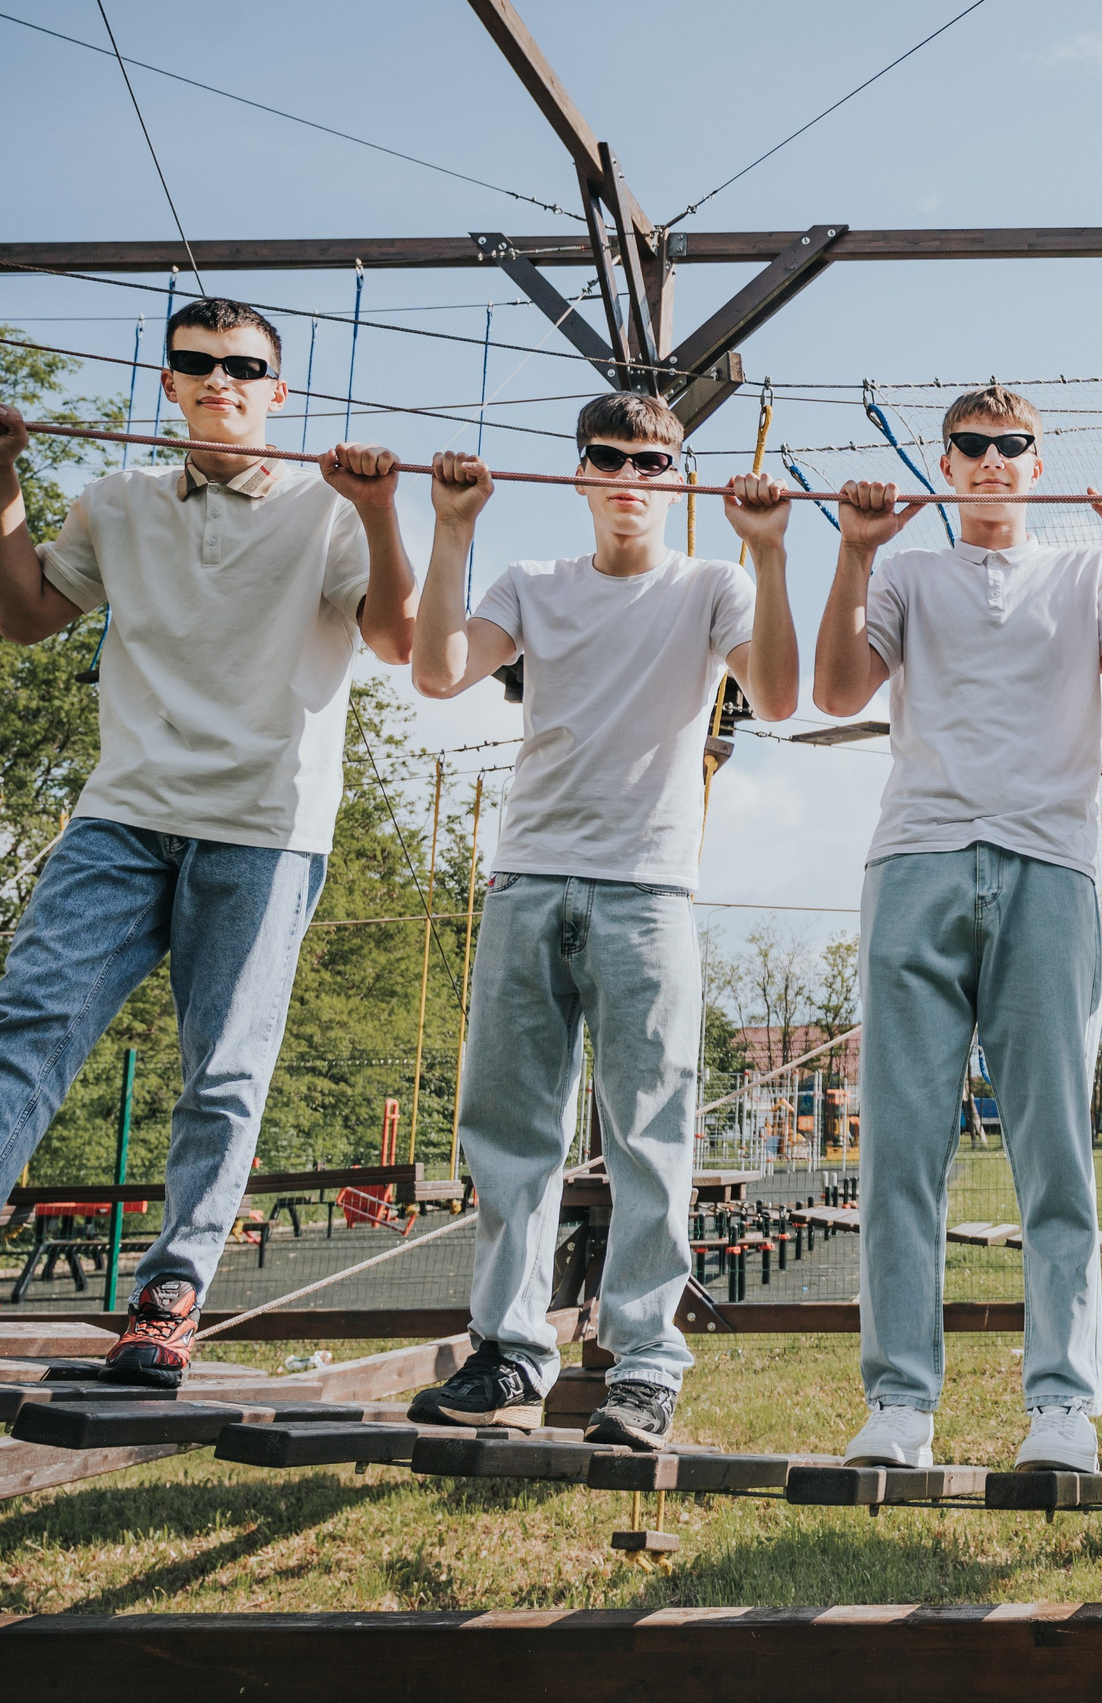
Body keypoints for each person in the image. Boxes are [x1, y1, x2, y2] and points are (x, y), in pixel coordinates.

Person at [0, 298, 416, 1384]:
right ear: (170, 383)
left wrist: (379, 510)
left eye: (244, 366)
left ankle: (170, 1292)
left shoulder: (325, 509)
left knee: (222, 1075)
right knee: (20, 1035)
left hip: (262, 826)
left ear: (279, 391)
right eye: (197, 363)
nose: (219, 380)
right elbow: (25, 614)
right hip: (123, 814)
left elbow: (393, 636)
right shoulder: (119, 498)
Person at [388, 393, 793, 1447]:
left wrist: (770, 550)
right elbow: (435, 670)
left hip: (647, 888)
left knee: (649, 1136)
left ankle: (645, 1364)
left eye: (653, 462)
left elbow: (785, 695)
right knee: (510, 1132)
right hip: (528, 878)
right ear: (578, 476)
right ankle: (511, 1350)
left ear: (678, 478)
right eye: (609, 458)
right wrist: (452, 528)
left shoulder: (712, 585)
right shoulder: (534, 586)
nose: (630, 477)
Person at [813, 385, 1102, 1473]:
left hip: (1049, 868)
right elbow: (833, 688)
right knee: (901, 1156)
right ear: (947, 462)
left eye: (1014, 445)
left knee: (1054, 1154)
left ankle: (1062, 1405)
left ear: (1038, 456)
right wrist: (855, 551)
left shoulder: (1085, 568)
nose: (994, 461)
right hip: (916, 862)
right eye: (972, 446)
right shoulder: (908, 569)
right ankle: (899, 1405)